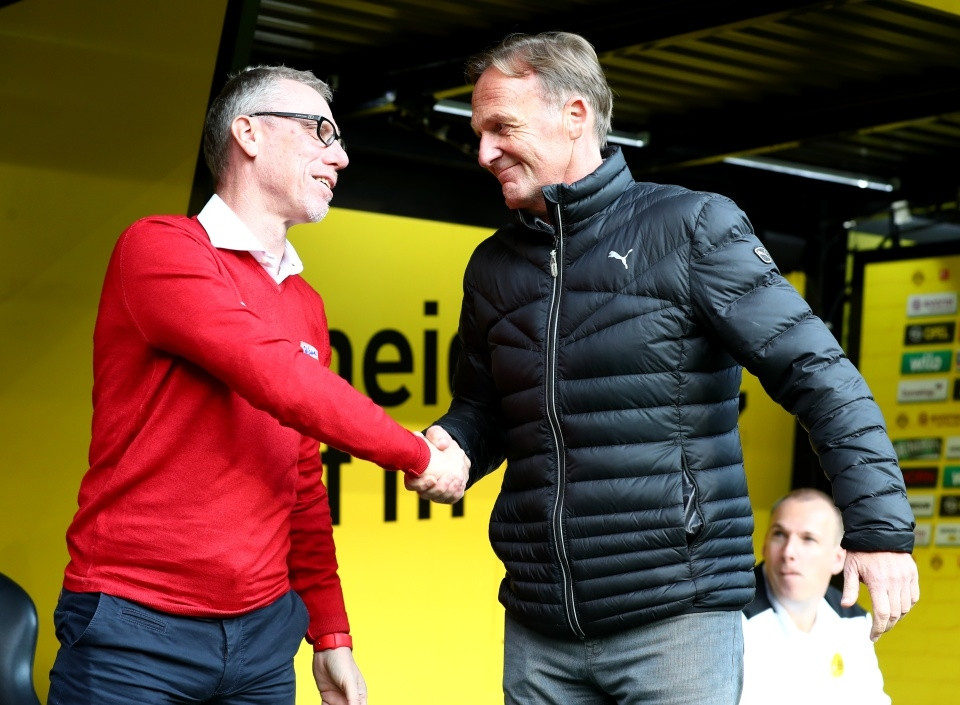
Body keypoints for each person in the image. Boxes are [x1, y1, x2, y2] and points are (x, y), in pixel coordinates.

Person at [406, 31, 919, 704]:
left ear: (575, 115)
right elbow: (484, 410)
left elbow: (820, 376)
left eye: (503, 127)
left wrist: (880, 531)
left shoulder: (691, 227)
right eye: (479, 132)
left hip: (676, 622)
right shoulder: (492, 267)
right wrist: (456, 444)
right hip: (538, 624)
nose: (484, 151)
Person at [47, 65, 468, 705]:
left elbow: (301, 481)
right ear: (248, 133)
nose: (341, 156)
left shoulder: (305, 304)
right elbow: (276, 376)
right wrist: (415, 453)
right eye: (321, 131)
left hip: (263, 644)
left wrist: (330, 633)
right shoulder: (160, 246)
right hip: (136, 632)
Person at [740, 489, 892, 705]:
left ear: (838, 559)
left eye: (808, 539)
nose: (789, 552)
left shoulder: (853, 620)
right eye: (779, 534)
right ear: (764, 545)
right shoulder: (730, 616)